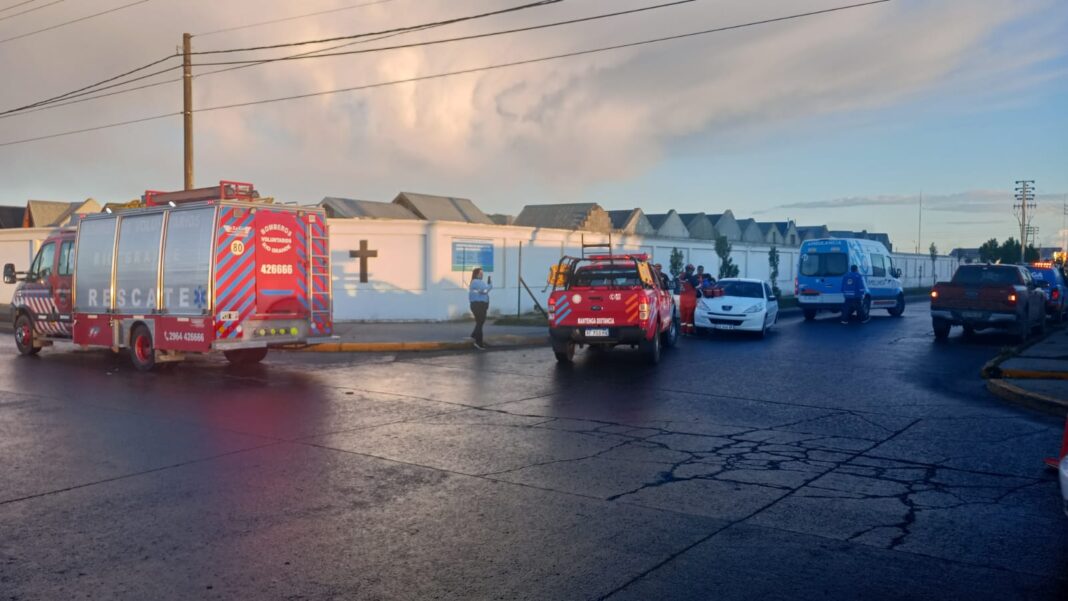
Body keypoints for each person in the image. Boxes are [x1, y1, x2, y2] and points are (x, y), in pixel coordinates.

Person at [469, 267, 492, 349]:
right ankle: (478, 343)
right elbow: (485, 291)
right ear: (476, 274)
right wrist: (490, 284)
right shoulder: (476, 282)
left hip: (480, 305)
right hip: (478, 305)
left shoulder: (478, 282)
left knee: (480, 323)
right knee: (480, 323)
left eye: (482, 273)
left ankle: (473, 336)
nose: (482, 275)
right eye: (480, 273)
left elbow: (483, 292)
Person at [678, 264, 698, 334]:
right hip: (690, 299)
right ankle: (689, 331)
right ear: (690, 270)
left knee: (683, 315)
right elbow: (697, 286)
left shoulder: (681, 276)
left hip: (682, 298)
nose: (692, 271)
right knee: (690, 316)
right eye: (692, 270)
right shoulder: (691, 277)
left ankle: (683, 330)